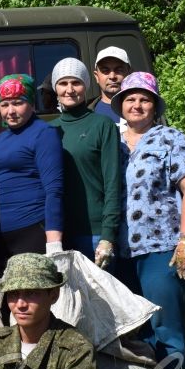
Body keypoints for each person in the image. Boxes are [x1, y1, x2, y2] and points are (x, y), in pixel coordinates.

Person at [112, 72, 185, 369]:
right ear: (120, 104)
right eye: (130, 99)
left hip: (161, 246)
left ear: (155, 106)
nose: (137, 105)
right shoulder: (111, 139)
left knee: (165, 323)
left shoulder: (171, 138)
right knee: (132, 325)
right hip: (120, 249)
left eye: (144, 99)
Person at [0, 74, 64, 277]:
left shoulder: (44, 133)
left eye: (18, 103)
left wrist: (54, 242)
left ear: (31, 103)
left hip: (31, 229)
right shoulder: (0, 139)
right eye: (5, 105)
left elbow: (54, 189)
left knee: (34, 301)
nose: (10, 111)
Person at [47, 58, 121, 270]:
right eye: (63, 83)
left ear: (86, 85)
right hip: (60, 233)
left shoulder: (102, 125)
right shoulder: (49, 130)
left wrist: (108, 235)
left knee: (102, 301)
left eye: (76, 83)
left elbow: (112, 183)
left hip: (95, 233)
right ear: (55, 88)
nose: (70, 89)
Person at [90, 47, 132, 124]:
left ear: (129, 73)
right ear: (96, 76)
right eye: (105, 71)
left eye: (119, 70)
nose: (112, 76)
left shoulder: (145, 111)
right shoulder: (86, 113)